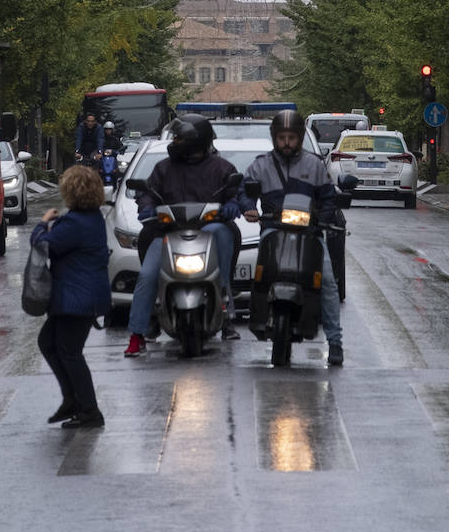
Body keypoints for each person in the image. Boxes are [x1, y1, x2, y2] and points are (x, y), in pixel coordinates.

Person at [124, 115, 249, 356]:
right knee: (148, 275)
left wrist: (233, 203)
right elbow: (148, 192)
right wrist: (146, 206)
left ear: (195, 140)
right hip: (168, 233)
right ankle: (137, 333)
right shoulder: (162, 168)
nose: (175, 141)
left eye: (179, 138)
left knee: (223, 231)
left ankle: (224, 301)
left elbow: (235, 190)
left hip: (208, 232)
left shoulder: (222, 167)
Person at [243, 108, 345, 366]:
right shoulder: (261, 165)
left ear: (299, 137)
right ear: (274, 138)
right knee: (261, 273)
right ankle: (259, 317)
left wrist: (325, 215)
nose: (286, 142)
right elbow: (244, 191)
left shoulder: (314, 165)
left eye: (291, 137)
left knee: (329, 283)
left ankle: (335, 342)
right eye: (281, 137)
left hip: (310, 232)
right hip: (273, 229)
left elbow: (328, 197)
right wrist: (249, 207)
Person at [31, 164, 110, 430]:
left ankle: (88, 409)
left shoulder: (74, 222)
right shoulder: (91, 217)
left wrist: (42, 224)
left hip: (76, 299)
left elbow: (44, 247)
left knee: (70, 352)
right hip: (80, 295)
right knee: (49, 343)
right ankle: (72, 399)